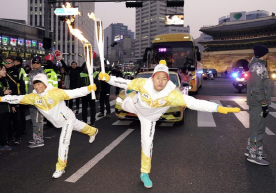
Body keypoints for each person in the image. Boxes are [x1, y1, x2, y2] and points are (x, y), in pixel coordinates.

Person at [98, 60, 240, 188]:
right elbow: (123, 82)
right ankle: (130, 95)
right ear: (153, 78)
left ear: (167, 80)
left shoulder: (172, 94)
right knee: (125, 103)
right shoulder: (143, 83)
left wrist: (217, 108)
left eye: (164, 78)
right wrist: (109, 78)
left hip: (150, 118)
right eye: (158, 77)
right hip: (135, 106)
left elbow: (193, 103)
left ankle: (144, 173)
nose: (160, 81)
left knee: (147, 144)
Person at [0, 73, 98, 179]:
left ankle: (60, 168)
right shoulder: (33, 97)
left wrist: (88, 89)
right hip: (59, 122)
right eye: (35, 84)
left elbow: (74, 93)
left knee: (63, 142)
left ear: (45, 84)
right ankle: (92, 131)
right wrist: (2, 99)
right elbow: (18, 98)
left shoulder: (56, 93)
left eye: (40, 84)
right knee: (78, 126)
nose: (37, 87)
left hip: (67, 119)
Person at [245, 43, 270, 166]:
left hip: (255, 101)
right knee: (258, 129)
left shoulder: (256, 66)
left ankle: (251, 150)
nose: (269, 54)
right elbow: (257, 88)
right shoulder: (258, 67)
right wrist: (264, 103)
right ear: (264, 54)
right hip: (258, 102)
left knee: (255, 127)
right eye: (267, 52)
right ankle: (254, 155)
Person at [5, 57, 25, 145]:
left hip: (16, 98)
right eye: (6, 62)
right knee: (8, 120)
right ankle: (9, 136)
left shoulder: (18, 72)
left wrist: (21, 99)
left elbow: (22, 87)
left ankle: (17, 136)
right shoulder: (2, 72)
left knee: (16, 119)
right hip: (6, 99)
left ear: (13, 63)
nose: (7, 64)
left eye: (9, 62)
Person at [27, 56, 45, 148]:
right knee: (34, 120)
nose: (35, 64)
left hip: (38, 100)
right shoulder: (31, 72)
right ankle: (36, 137)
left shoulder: (41, 74)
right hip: (31, 99)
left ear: (40, 64)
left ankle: (39, 139)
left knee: (38, 120)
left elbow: (41, 88)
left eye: (37, 63)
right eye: (34, 63)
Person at [13, 56, 27, 135]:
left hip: (20, 94)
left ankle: (22, 129)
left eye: (15, 61)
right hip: (22, 93)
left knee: (21, 113)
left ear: (18, 62)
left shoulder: (20, 70)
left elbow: (23, 83)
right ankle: (23, 128)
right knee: (21, 113)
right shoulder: (21, 69)